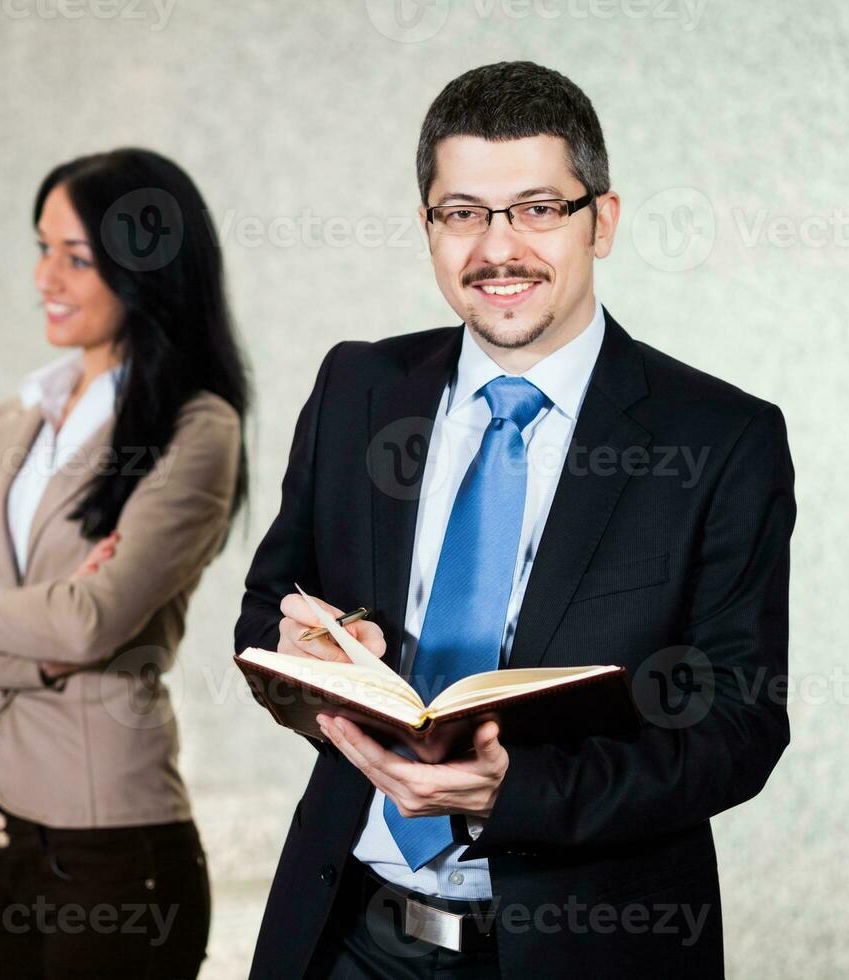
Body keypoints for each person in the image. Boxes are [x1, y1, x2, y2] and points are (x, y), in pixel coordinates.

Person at [236, 61, 794, 978]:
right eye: (463, 213)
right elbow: (267, 609)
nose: (499, 249)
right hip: (348, 936)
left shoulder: (721, 439)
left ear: (601, 221)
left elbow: (739, 727)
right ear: (428, 226)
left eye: (538, 208)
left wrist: (513, 791)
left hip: (586, 952)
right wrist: (307, 661)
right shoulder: (359, 388)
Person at [0, 147, 249, 979]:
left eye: (77, 257)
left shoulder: (197, 431)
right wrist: (38, 637)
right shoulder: (11, 420)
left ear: (145, 268)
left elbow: (89, 622)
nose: (45, 277)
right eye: (41, 247)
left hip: (111, 853)